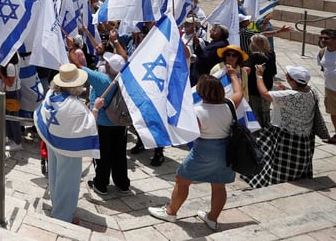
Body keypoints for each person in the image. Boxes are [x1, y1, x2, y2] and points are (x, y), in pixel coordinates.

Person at [149, 69, 243, 231]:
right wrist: (233, 76)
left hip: (204, 152)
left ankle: (171, 212)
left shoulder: (197, 112)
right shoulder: (230, 104)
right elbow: (239, 93)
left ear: (201, 92)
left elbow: (189, 134)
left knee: (182, 180)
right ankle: (212, 218)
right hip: (226, 152)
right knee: (219, 186)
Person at [244, 65, 332, 187]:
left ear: (291, 80)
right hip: (305, 139)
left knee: (279, 164)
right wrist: (285, 88)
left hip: (287, 139)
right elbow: (296, 97)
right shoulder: (312, 91)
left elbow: (264, 93)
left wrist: (259, 75)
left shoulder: (288, 96)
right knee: (299, 165)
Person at [35, 63, 100, 224]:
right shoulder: (76, 106)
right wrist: (96, 109)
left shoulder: (51, 94)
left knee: (55, 175)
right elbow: (88, 125)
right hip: (68, 147)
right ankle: (62, 216)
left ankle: (57, 205)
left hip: (52, 140)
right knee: (69, 182)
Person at [85, 52, 131, 195]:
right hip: (121, 123)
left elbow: (80, 68)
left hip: (103, 124)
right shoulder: (127, 81)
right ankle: (123, 184)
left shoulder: (101, 79)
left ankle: (101, 184)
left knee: (102, 155)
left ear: (110, 67)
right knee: (120, 155)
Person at [247, 34, 277, 127]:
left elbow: (247, 71)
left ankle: (258, 131)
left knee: (255, 111)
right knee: (265, 110)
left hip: (254, 89)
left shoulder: (252, 56)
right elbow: (273, 71)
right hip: (267, 86)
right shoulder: (271, 54)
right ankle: (266, 129)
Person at [0, 52, 23, 152]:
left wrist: (0, 74)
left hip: (13, 93)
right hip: (9, 92)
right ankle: (11, 138)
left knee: (13, 118)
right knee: (8, 117)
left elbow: (10, 83)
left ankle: (17, 142)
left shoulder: (11, 66)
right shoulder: (11, 63)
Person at [316, 28, 336, 144]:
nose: (323, 40)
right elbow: (322, 66)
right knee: (333, 112)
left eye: (326, 38)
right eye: (321, 38)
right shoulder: (322, 52)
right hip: (330, 88)